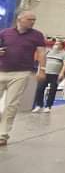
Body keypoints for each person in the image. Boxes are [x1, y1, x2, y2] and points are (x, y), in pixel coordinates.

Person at [0, 10, 47, 146]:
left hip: (21, 73)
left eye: (34, 20)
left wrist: (42, 70)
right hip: (1, 70)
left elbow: (41, 53)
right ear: (20, 19)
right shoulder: (5, 33)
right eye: (30, 19)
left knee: (11, 105)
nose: (33, 22)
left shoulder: (37, 35)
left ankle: (3, 135)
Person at [32, 39, 65, 113]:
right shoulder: (48, 52)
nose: (55, 45)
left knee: (52, 90)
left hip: (55, 74)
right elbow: (42, 62)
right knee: (40, 89)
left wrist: (61, 73)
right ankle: (39, 105)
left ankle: (48, 106)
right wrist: (39, 71)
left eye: (58, 44)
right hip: (45, 73)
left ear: (62, 46)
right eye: (55, 44)